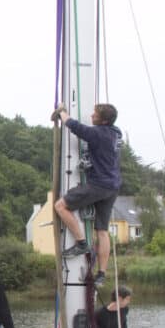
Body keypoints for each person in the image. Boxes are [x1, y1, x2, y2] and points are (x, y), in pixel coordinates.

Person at [51, 103, 123, 288]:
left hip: (98, 184)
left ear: (103, 120)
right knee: (102, 230)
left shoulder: (98, 133)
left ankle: (81, 243)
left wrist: (62, 113)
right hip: (113, 186)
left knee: (60, 206)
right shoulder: (115, 133)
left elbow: (74, 126)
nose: (91, 115)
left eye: (95, 114)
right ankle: (101, 274)